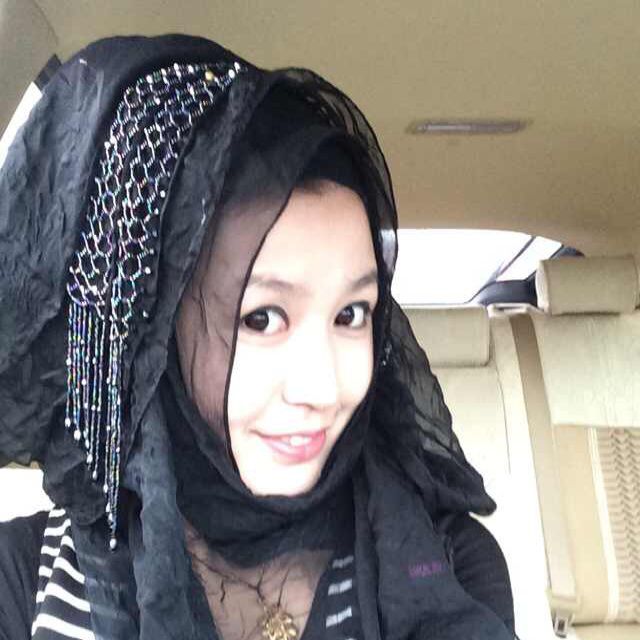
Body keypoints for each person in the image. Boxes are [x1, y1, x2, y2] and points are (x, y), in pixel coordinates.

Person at [0, 35, 515, 640]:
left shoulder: (449, 568)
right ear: (150, 338)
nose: (324, 389)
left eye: (352, 314)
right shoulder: (22, 582)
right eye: (262, 318)